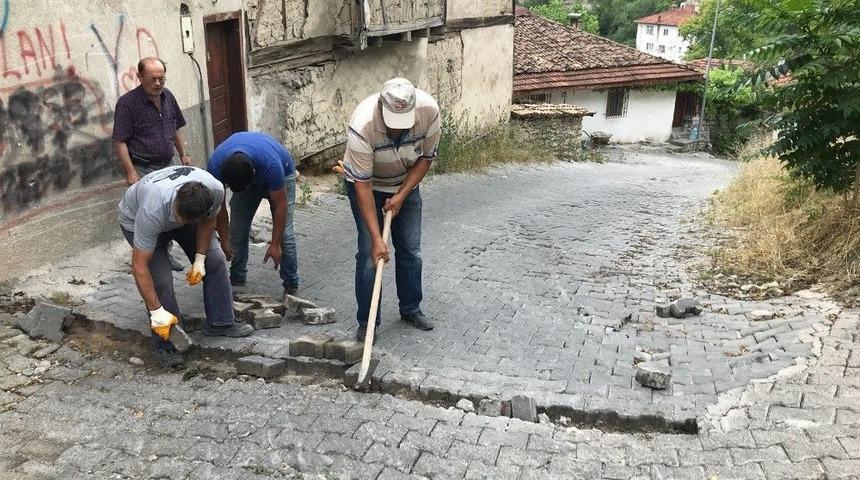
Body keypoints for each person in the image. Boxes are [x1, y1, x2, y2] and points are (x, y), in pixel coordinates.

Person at [118, 165, 254, 367]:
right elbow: (139, 266)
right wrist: (156, 311)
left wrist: (199, 260)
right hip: (136, 219)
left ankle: (221, 322)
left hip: (187, 214)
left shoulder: (214, 190)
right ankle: (166, 343)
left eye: (183, 220)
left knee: (214, 260)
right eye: (178, 217)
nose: (178, 221)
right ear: (177, 202)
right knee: (161, 281)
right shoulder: (152, 209)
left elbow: (209, 221)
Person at [342, 78, 440, 341]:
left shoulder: (429, 111)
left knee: (410, 249)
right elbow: (362, 186)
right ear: (381, 108)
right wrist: (376, 239)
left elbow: (426, 159)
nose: (397, 131)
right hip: (367, 186)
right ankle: (368, 321)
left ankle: (410, 308)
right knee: (368, 255)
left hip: (404, 183)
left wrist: (401, 196)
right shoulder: (363, 124)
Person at [113, 57, 192, 271]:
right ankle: (150, 257)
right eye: (152, 79)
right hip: (143, 167)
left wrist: (183, 153)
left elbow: (176, 128)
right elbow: (120, 141)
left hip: (169, 164)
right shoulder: (128, 104)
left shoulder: (168, 97)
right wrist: (130, 172)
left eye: (161, 79)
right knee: (151, 212)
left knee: (171, 208)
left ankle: (166, 252)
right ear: (140, 77)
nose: (158, 83)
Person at [207, 132, 299, 299]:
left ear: (254, 173)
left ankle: (291, 285)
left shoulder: (272, 166)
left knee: (285, 235)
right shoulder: (215, 166)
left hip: (283, 172)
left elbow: (281, 205)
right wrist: (225, 239)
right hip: (248, 172)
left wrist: (275, 244)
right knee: (238, 230)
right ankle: (237, 280)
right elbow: (218, 207)